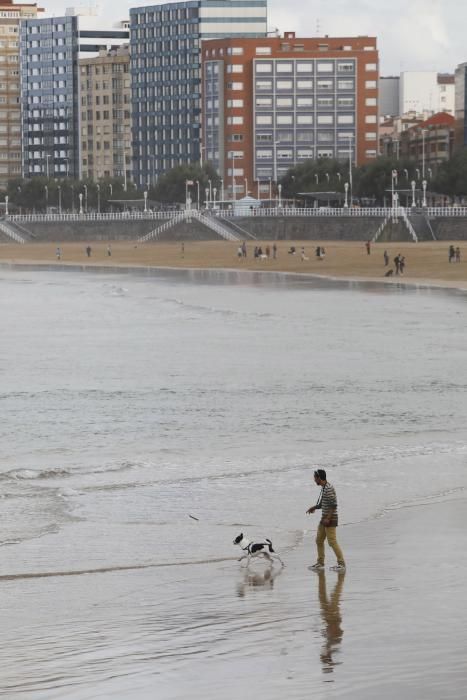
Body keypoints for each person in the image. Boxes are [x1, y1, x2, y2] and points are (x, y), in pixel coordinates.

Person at [306, 469, 345, 571]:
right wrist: (314, 507)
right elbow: (323, 504)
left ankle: (341, 564)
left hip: (330, 519)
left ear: (319, 478)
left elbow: (333, 505)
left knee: (332, 542)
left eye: (315, 478)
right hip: (324, 519)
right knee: (319, 540)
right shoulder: (324, 488)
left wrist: (328, 518)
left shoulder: (328, 488)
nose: (314, 480)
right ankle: (320, 563)